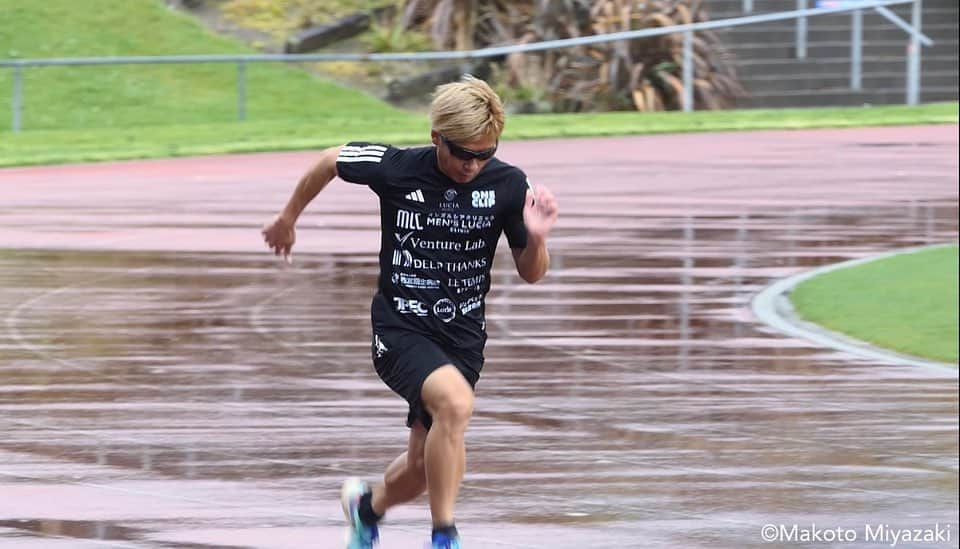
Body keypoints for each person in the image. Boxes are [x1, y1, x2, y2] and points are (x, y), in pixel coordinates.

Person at [261, 75, 558, 549]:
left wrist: (537, 236)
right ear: (436, 136)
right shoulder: (397, 168)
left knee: (423, 469)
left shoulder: (507, 184)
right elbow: (331, 160)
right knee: (456, 405)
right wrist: (287, 218)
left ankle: (366, 508)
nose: (473, 165)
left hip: (462, 335)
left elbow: (532, 273)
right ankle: (444, 536)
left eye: (485, 153)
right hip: (401, 326)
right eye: (463, 153)